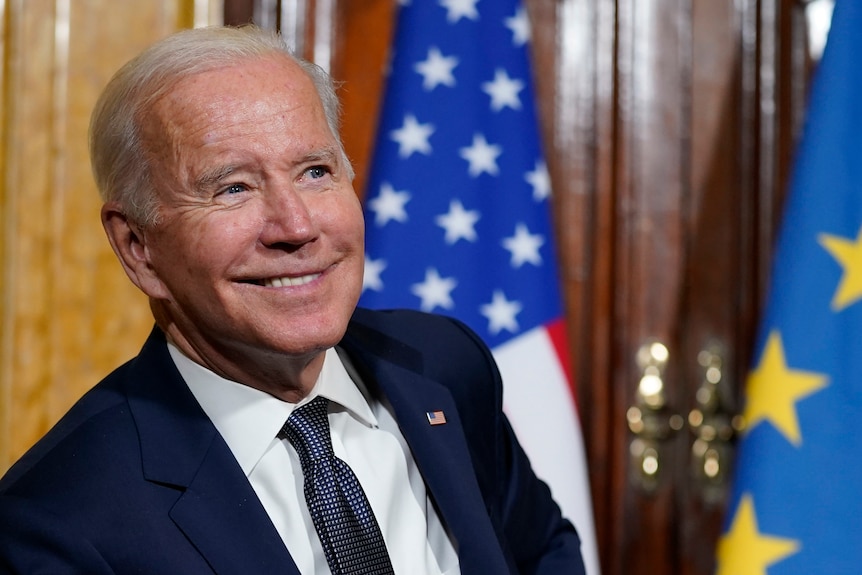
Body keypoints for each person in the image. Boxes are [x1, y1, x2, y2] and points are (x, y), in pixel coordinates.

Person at [0, 26, 586, 574]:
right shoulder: (56, 522)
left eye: (314, 171)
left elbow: (542, 551)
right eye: (233, 187)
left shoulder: (444, 365)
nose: (296, 225)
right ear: (138, 248)